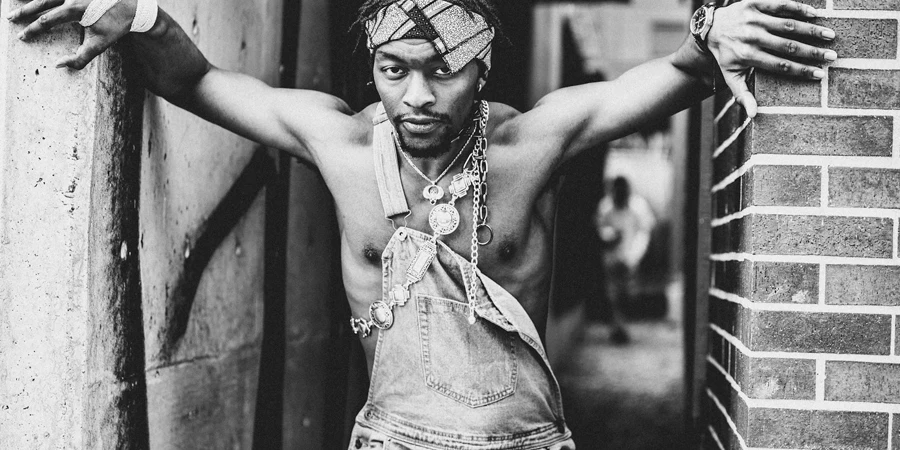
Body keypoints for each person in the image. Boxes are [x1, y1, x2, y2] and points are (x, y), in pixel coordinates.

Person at [7, 0, 837, 447]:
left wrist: (710, 27)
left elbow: (673, 74)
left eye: (443, 72)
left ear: (482, 69)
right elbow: (200, 83)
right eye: (393, 69)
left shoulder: (529, 144)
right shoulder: (338, 141)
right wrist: (141, 16)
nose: (415, 96)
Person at [595, 176, 656, 344]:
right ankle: (618, 327)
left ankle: (622, 325)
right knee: (613, 293)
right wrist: (607, 235)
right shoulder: (605, 207)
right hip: (611, 258)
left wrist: (633, 257)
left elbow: (644, 234)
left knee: (628, 294)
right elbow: (600, 228)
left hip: (631, 258)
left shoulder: (639, 207)